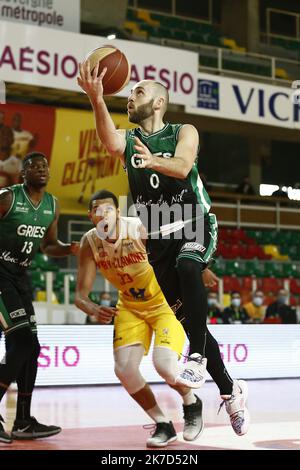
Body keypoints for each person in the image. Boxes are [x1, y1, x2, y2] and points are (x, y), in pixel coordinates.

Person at [77, 63, 250, 436]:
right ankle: (230, 389)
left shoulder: (182, 130)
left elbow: (185, 163)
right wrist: (95, 98)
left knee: (190, 268)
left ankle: (199, 357)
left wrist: (154, 160)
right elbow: (110, 142)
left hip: (193, 220)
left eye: (137, 92)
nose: (130, 97)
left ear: (158, 102)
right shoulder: (129, 141)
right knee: (191, 323)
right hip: (157, 238)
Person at [75, 190, 204, 447]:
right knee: (124, 370)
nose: (102, 214)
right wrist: (92, 309)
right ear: (90, 216)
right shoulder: (89, 243)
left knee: (165, 366)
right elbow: (80, 295)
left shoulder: (138, 230)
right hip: (130, 306)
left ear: (118, 212)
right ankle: (163, 424)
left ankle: (191, 402)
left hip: (164, 303)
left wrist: (201, 270)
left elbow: (177, 251)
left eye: (108, 209)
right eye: (96, 210)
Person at [0, 151, 79, 444]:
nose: (41, 169)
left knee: (31, 347)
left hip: (21, 278)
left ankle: (22, 420)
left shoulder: (52, 205)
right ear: (23, 173)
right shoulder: (7, 197)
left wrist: (69, 248)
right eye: (33, 165)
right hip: (0, 275)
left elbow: (48, 246)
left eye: (44, 165)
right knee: (21, 341)